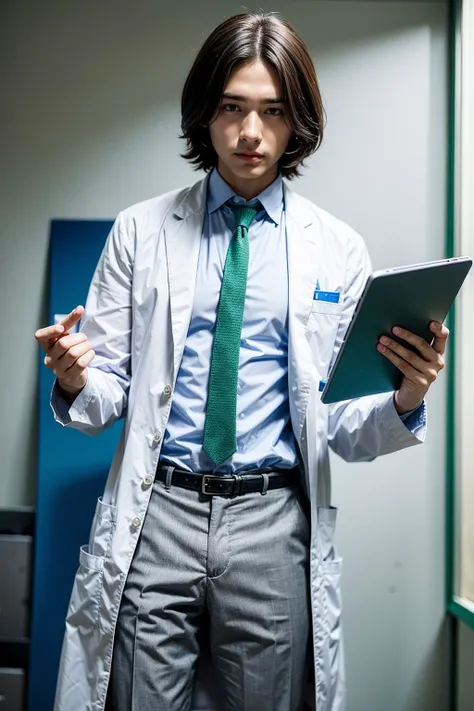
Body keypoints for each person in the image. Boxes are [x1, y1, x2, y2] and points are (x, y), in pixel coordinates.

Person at [35, 11, 448, 711]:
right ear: (205, 115)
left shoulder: (338, 249)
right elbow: (107, 396)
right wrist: (78, 376)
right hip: (158, 512)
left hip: (272, 522)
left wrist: (406, 395)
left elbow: (343, 427)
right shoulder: (140, 231)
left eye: (272, 111)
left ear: (297, 124)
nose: (250, 133)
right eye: (232, 108)